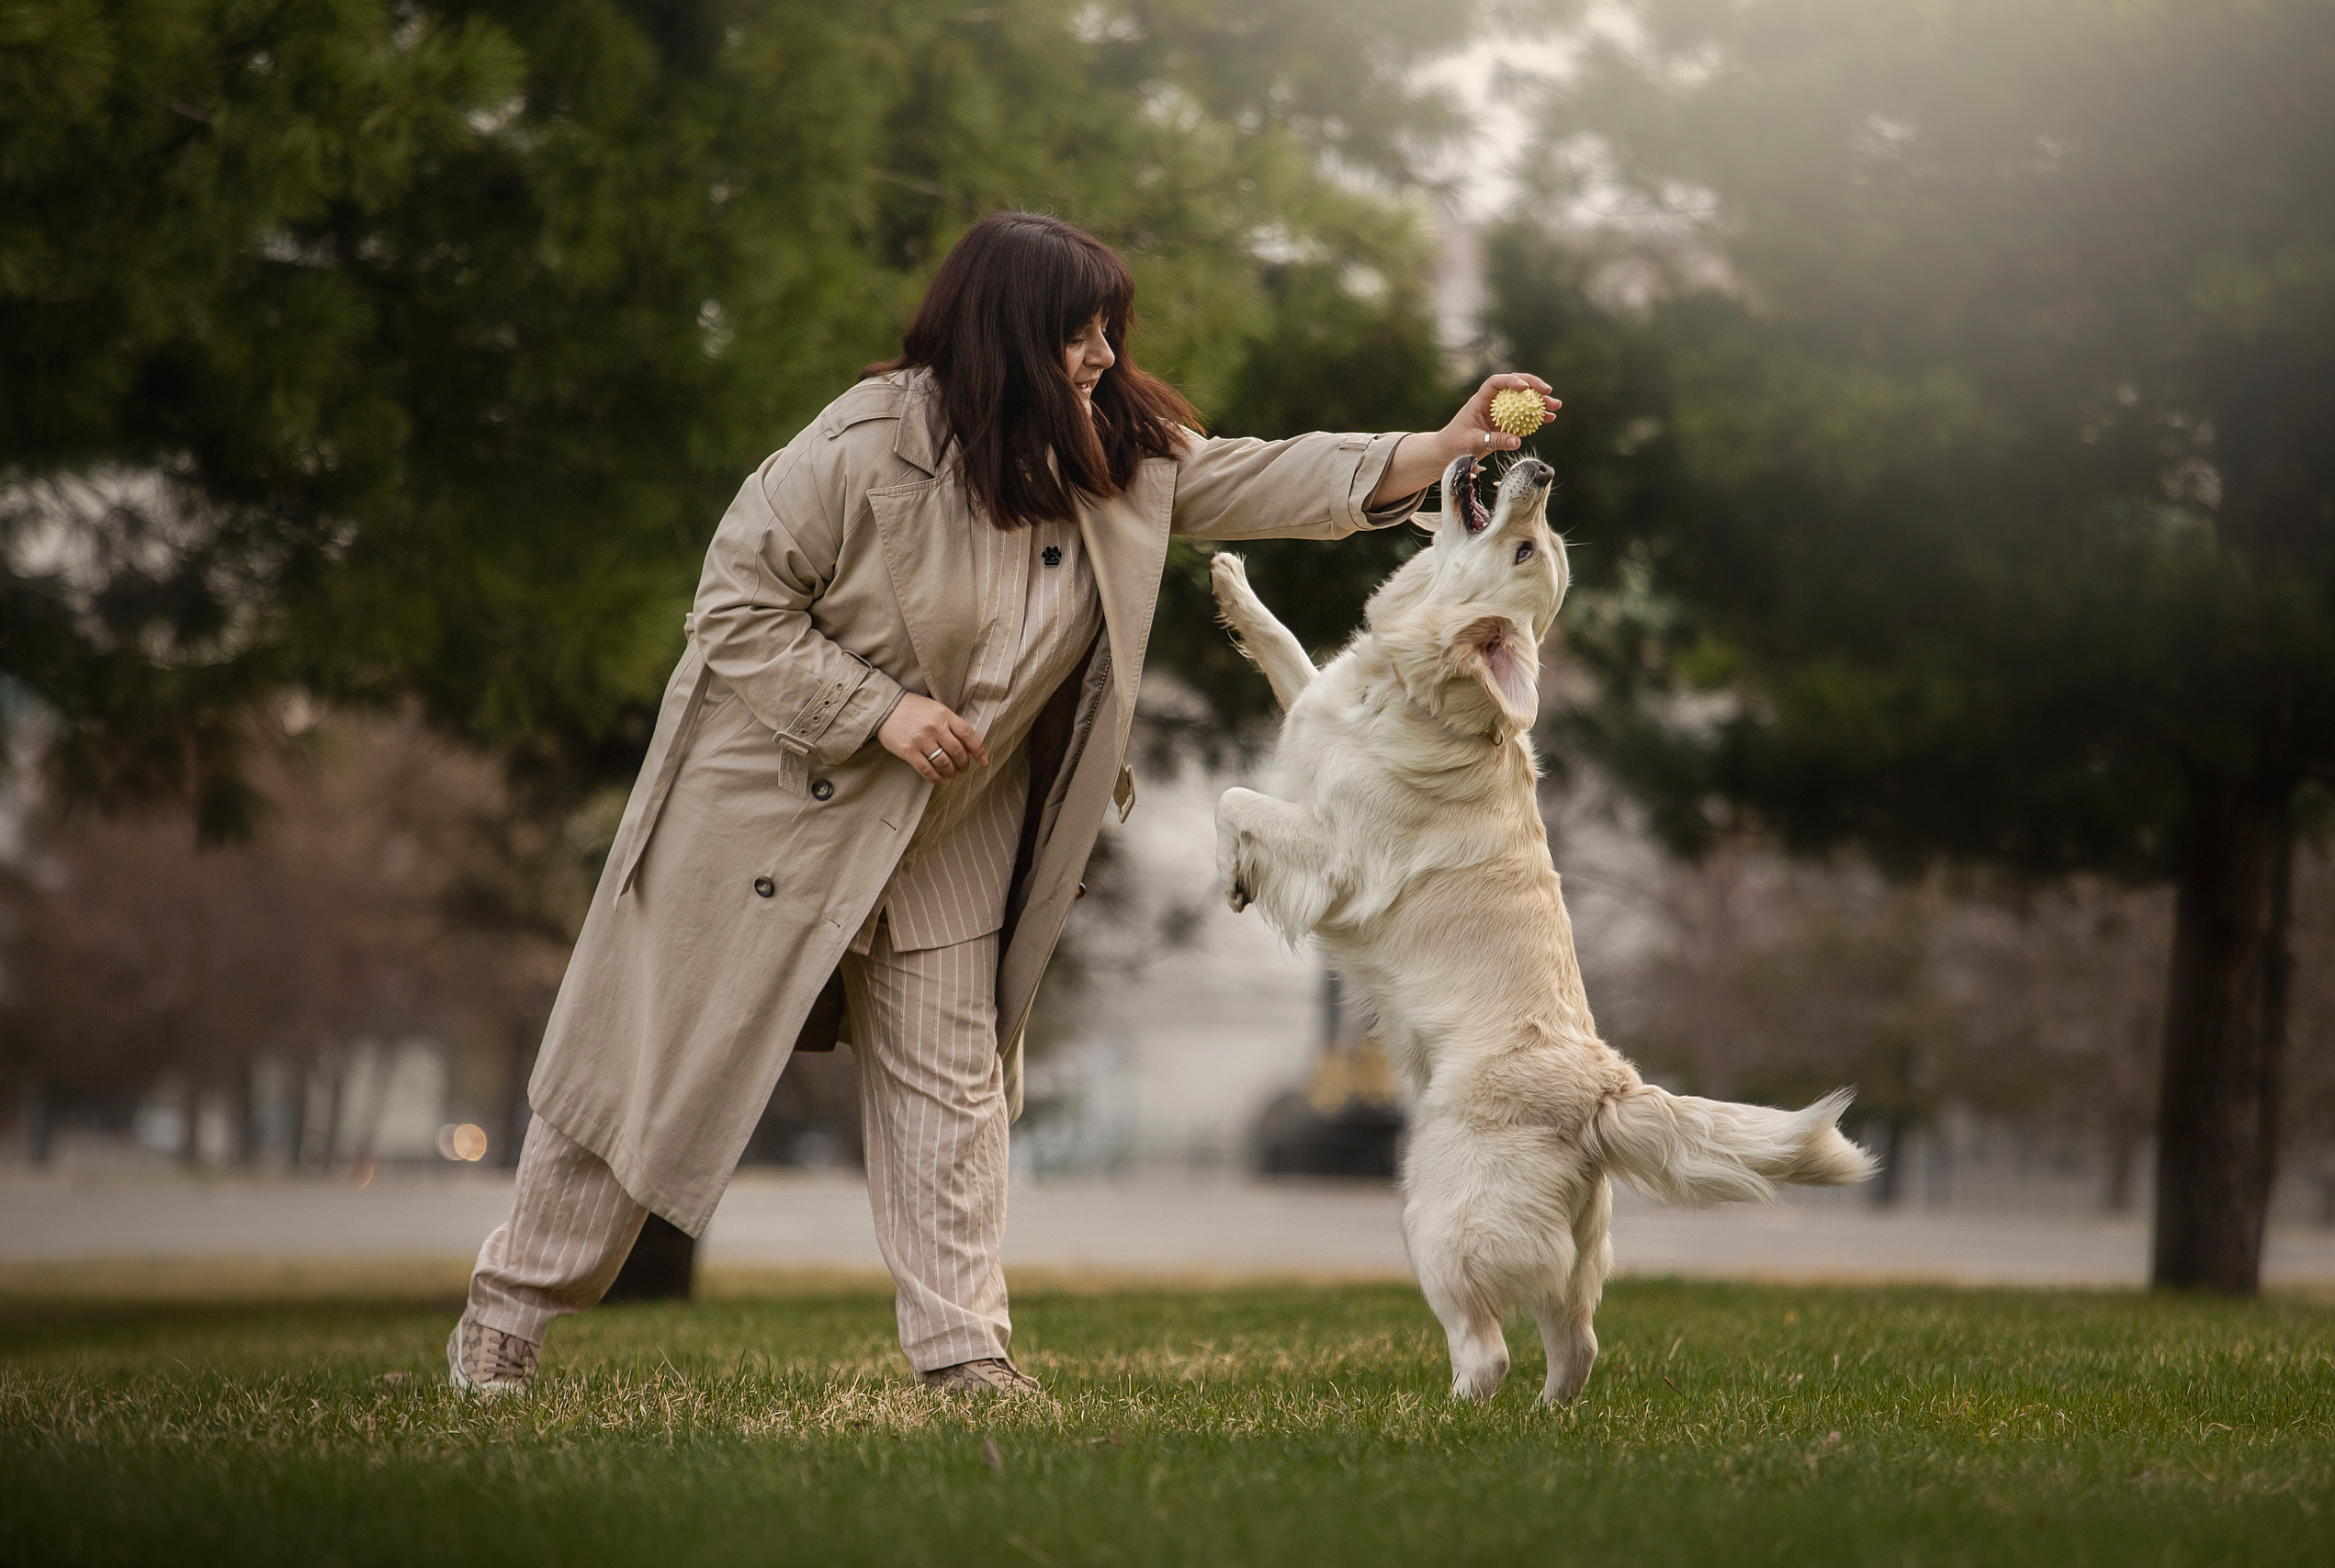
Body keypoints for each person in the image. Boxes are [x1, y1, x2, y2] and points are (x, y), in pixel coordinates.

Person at [447, 210, 1557, 1397]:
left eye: (1107, 332)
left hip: (957, 833)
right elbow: (734, 609)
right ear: (1002, 334)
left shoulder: (1119, 455)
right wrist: (877, 709)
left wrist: (1442, 447)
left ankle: (963, 1352)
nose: (1099, 356)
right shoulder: (862, 444)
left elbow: (1265, 473)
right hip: (776, 813)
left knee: (951, 1090)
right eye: (1077, 334)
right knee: (649, 1063)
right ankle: (506, 1317)